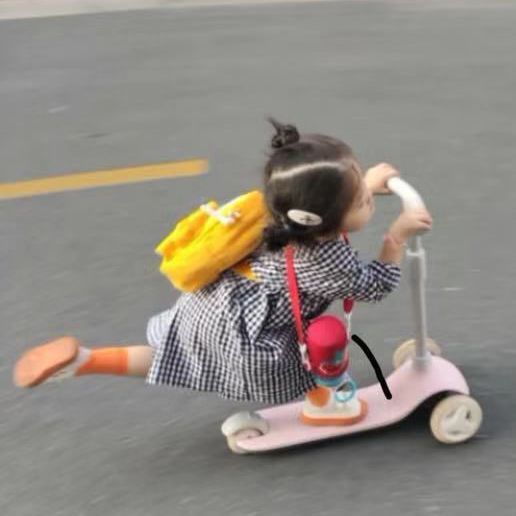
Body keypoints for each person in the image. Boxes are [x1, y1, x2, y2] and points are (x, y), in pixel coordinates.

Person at [13, 118, 432, 424]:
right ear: (318, 218)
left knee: (170, 356)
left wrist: (362, 184)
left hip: (214, 306)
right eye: (361, 200)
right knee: (323, 341)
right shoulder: (324, 259)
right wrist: (395, 237)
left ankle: (85, 360)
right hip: (250, 334)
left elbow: (327, 207)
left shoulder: (281, 213)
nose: (368, 201)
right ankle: (326, 404)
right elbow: (373, 286)